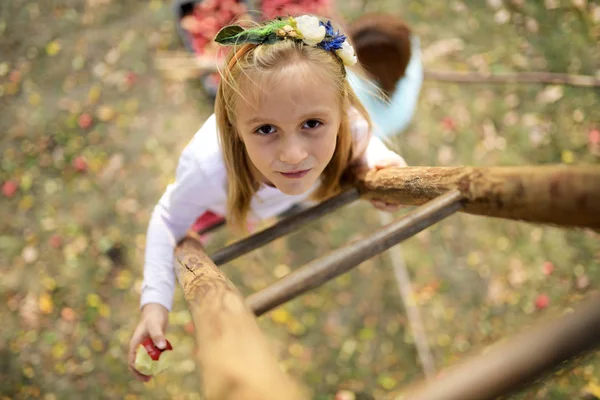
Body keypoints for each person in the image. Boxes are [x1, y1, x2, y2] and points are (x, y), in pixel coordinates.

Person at [128, 14, 409, 381]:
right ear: (235, 130)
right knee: (193, 230)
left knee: (285, 197)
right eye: (265, 129)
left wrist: (382, 162)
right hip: (222, 204)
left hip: (273, 198)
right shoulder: (206, 171)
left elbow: (364, 139)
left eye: (311, 124)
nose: (293, 154)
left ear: (340, 114)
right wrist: (155, 304)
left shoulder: (347, 125)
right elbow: (168, 219)